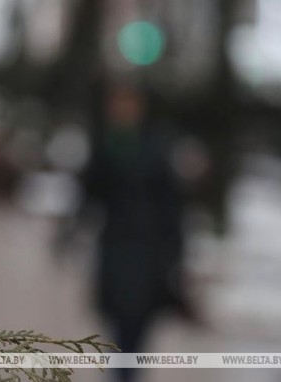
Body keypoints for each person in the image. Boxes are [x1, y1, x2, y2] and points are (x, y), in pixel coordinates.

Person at [82, 83, 188, 382]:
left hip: (148, 256)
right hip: (115, 252)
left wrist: (175, 255)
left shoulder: (158, 149)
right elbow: (90, 194)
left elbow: (173, 207)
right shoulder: (106, 146)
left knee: (136, 331)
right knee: (118, 329)